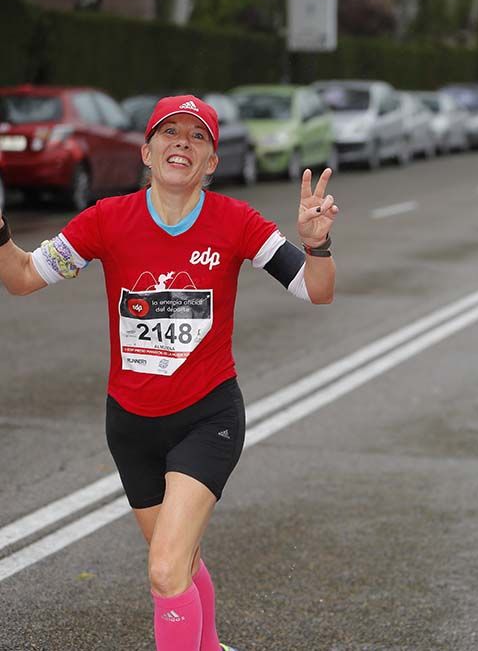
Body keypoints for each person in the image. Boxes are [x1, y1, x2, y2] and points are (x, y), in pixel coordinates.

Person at [0, 95, 338, 651]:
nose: (182, 142)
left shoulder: (237, 222)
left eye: (198, 137)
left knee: (163, 569)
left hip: (207, 418)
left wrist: (316, 242)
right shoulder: (106, 220)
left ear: (210, 163)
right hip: (131, 426)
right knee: (179, 560)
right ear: (146, 151)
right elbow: (20, 278)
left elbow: (317, 290)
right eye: (169, 132)